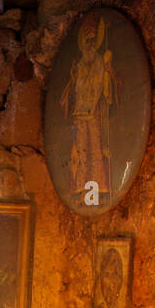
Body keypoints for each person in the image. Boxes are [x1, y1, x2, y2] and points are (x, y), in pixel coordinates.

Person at [58, 13, 118, 205]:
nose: (90, 45)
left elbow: (107, 90)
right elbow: (72, 91)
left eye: (93, 41)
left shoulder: (101, 62)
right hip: (80, 114)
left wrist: (109, 72)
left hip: (95, 114)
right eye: (87, 41)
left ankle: (101, 187)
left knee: (96, 150)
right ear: (83, 44)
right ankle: (80, 187)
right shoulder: (80, 65)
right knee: (82, 151)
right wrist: (74, 79)